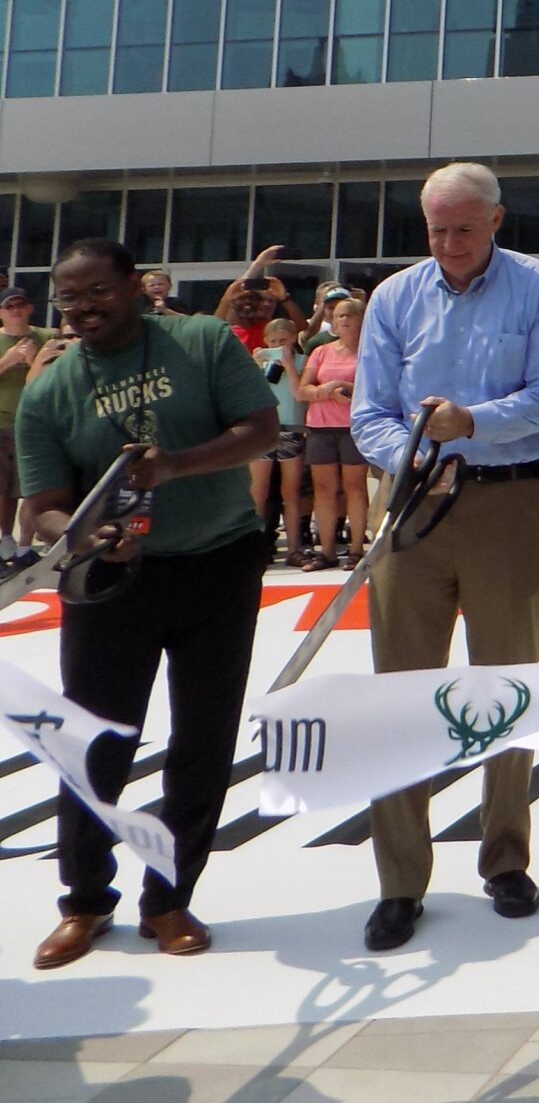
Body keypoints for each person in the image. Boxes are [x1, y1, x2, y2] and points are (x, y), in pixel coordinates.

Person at [18, 239, 278, 969]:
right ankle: (85, 901)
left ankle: (167, 898)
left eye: (97, 290)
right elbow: (39, 508)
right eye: (68, 298)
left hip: (217, 565)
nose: (82, 307)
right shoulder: (50, 390)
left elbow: (261, 430)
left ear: (136, 286)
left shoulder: (200, 341)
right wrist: (83, 533)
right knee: (94, 743)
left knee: (202, 741)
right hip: (110, 583)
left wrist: (180, 466)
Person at [350, 162, 539, 953]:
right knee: (403, 696)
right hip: (412, 505)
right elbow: (368, 413)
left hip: (513, 500)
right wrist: (409, 451)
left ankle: (506, 858)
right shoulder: (392, 298)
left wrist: (468, 424)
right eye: (437, 229)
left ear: (497, 221)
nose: (450, 244)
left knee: (506, 687)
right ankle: (400, 882)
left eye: (464, 229)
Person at [297, 294, 369, 556]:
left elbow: (378, 387)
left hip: (353, 427)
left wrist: (348, 388)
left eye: (351, 314)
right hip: (321, 426)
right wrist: (326, 391)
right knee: (324, 489)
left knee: (355, 487)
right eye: (340, 315)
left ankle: (356, 548)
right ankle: (326, 550)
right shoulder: (321, 351)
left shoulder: (370, 350)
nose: (345, 319)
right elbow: (302, 390)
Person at [254, 316, 313, 567]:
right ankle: (254, 547)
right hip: (264, 431)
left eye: (284, 341)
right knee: (258, 492)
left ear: (294, 340)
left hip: (292, 430)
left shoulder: (303, 363)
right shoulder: (258, 363)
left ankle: (294, 548)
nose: (279, 345)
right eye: (274, 341)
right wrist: (255, 365)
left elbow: (299, 396)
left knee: (291, 492)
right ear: (266, 341)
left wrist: (289, 366)